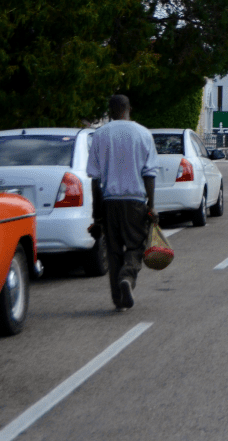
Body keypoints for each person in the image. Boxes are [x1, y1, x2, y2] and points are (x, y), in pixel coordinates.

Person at [87, 94, 157, 311]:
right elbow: (150, 173)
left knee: (114, 250)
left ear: (110, 111)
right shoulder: (143, 134)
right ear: (129, 109)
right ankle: (127, 277)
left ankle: (119, 300)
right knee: (137, 246)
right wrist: (151, 206)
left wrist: (97, 216)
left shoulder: (99, 135)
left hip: (109, 202)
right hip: (135, 202)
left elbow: (95, 179)